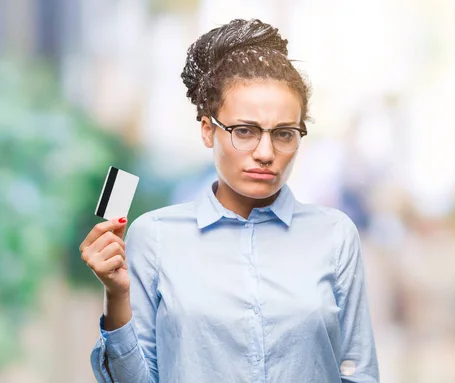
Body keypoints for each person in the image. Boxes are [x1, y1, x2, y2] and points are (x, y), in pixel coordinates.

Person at [80, 19, 379, 382]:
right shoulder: (154, 237)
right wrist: (116, 297)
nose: (265, 153)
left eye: (284, 134)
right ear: (208, 130)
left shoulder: (334, 235)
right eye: (245, 131)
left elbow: (359, 372)